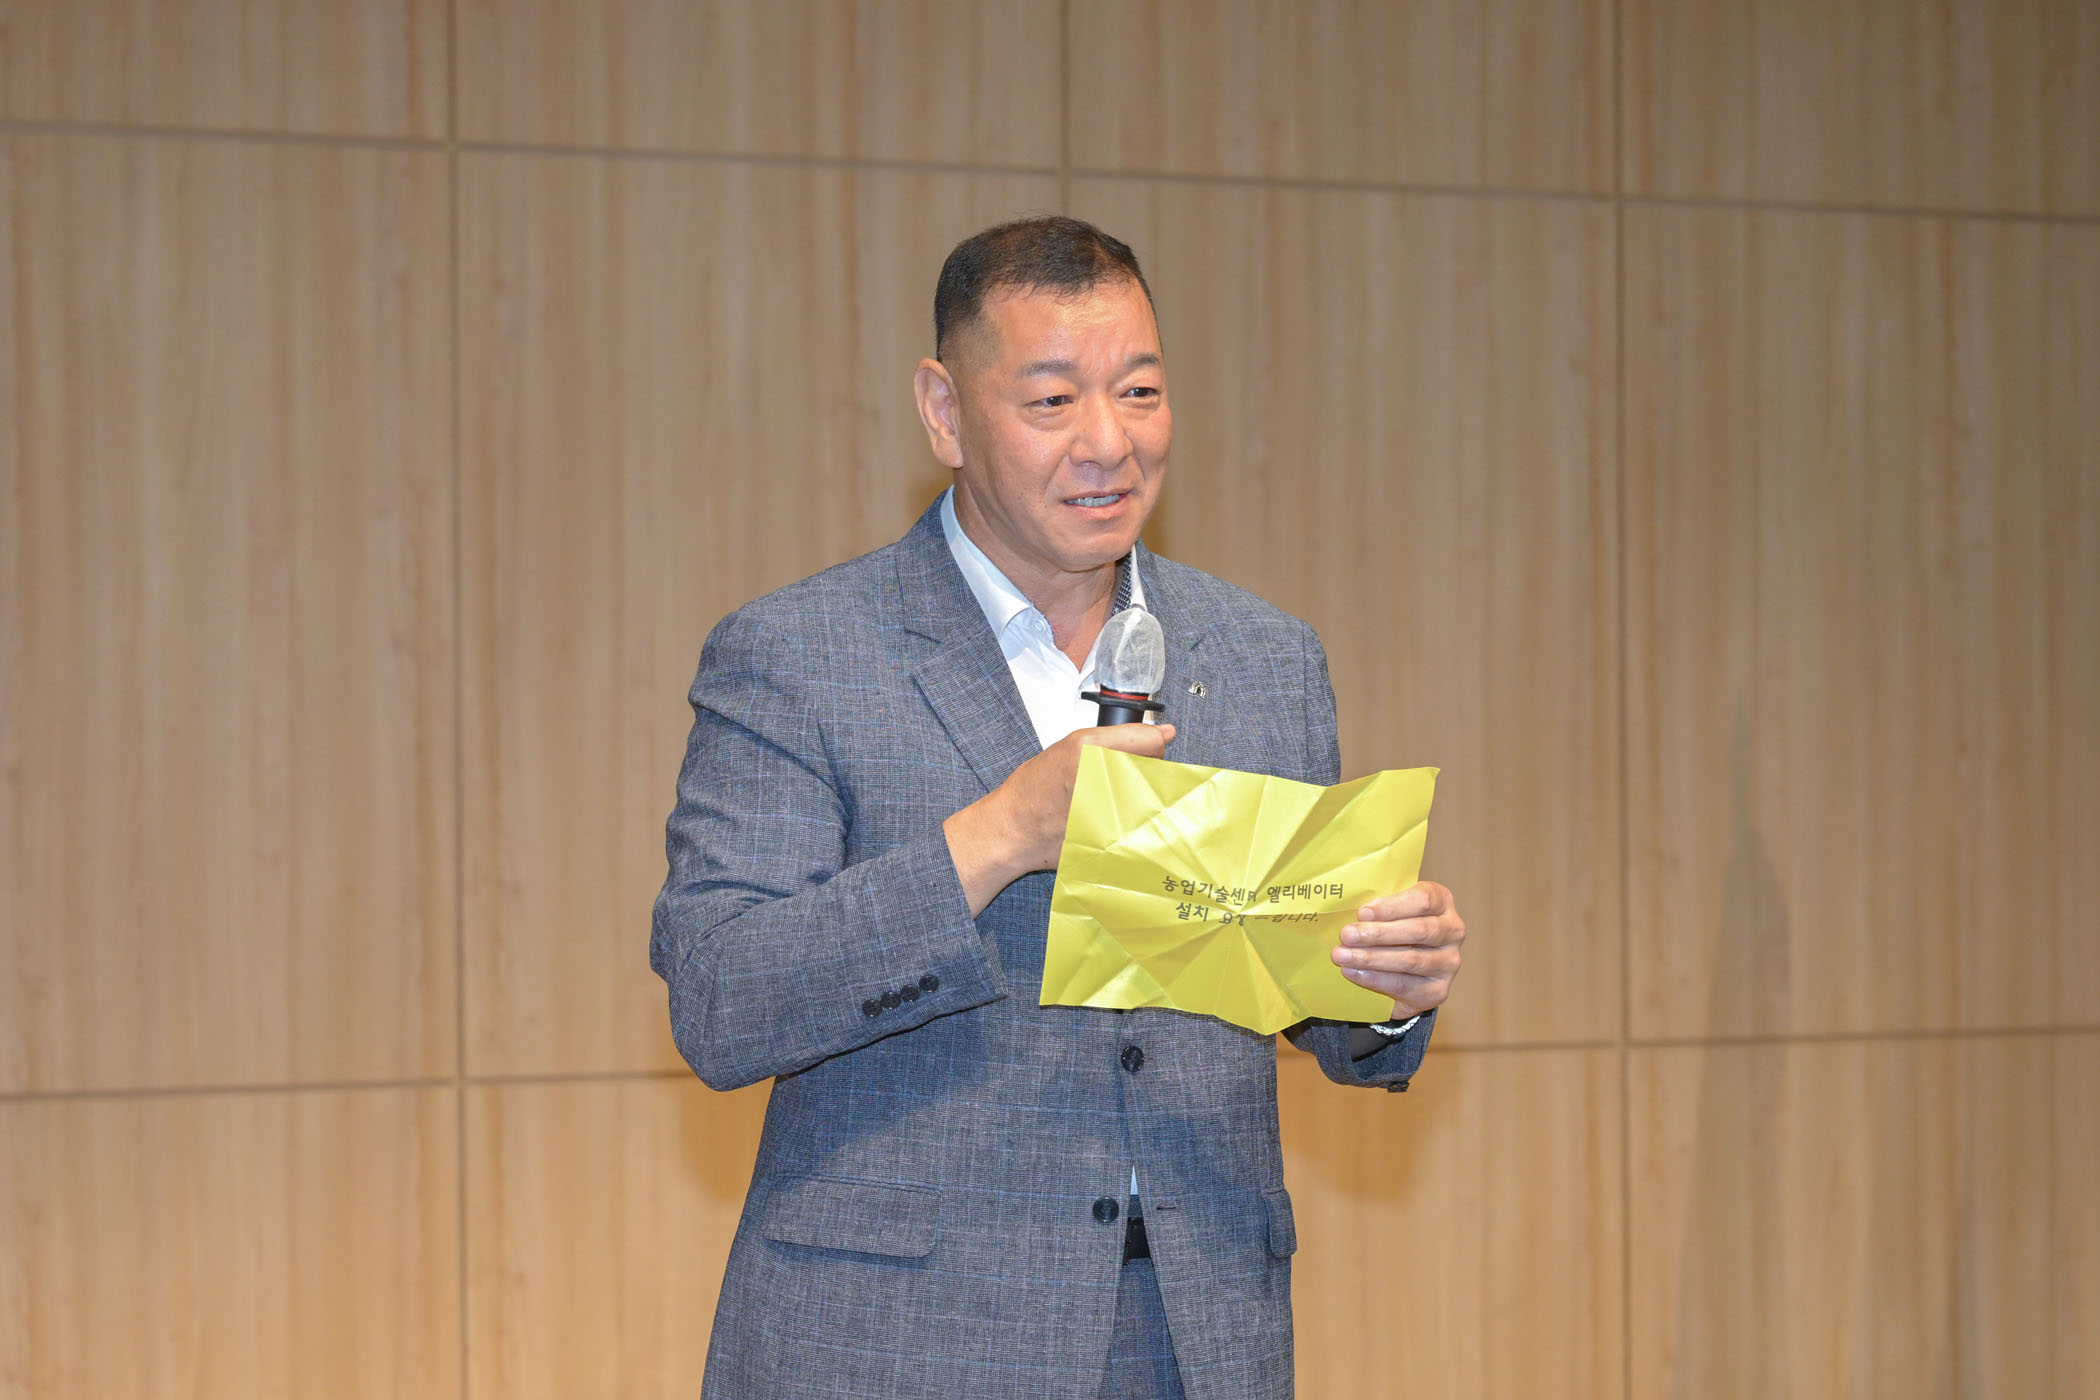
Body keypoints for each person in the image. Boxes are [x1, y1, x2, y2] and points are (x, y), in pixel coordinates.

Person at [651, 216, 1465, 1400]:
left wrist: (1385, 984)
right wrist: (996, 838)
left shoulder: (1262, 656)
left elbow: (1311, 998)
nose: (1109, 442)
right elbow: (722, 997)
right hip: (899, 1341)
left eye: (1140, 391)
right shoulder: (802, 654)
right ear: (945, 412)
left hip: (1196, 1334)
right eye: (1051, 401)